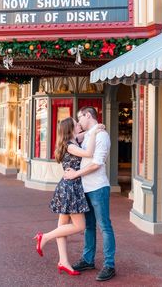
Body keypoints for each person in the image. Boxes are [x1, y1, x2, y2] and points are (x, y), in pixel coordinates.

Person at [33, 117, 102, 276]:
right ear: (71, 130)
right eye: (76, 124)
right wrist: (95, 133)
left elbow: (84, 135)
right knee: (80, 226)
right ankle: (45, 237)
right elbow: (89, 153)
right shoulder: (70, 146)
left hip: (68, 187)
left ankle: (63, 261)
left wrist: (95, 128)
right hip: (71, 189)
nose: (79, 125)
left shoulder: (73, 141)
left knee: (62, 228)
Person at [64, 106, 116, 282]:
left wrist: (75, 174)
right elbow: (71, 138)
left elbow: (96, 164)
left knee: (105, 227)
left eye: (80, 118)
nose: (78, 122)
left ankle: (109, 265)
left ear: (88, 115)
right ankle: (88, 260)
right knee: (89, 227)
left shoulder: (102, 136)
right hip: (85, 188)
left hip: (99, 188)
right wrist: (93, 130)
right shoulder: (89, 134)